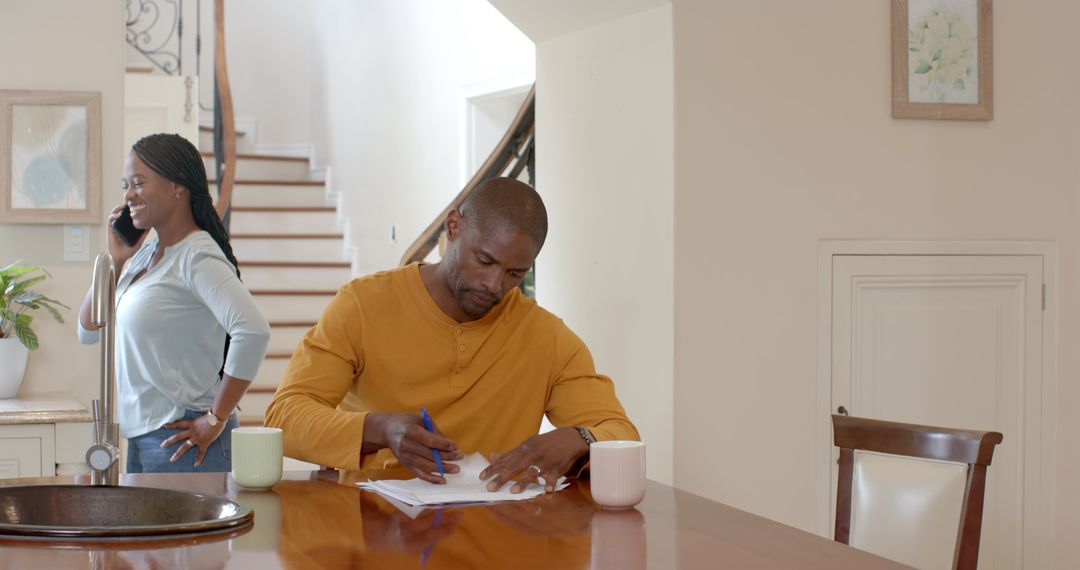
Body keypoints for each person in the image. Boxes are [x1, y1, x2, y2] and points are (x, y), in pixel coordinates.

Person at [265, 177, 638, 492]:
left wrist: (579, 439)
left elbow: (620, 433)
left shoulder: (547, 337)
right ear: (453, 226)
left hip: (497, 535)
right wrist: (379, 429)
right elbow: (284, 417)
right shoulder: (363, 305)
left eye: (514, 274)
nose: (493, 284)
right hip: (370, 526)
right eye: (485, 260)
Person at [78, 133, 270, 473]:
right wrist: (116, 259)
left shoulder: (197, 257)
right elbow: (89, 329)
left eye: (139, 183)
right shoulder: (146, 255)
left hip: (181, 438)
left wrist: (215, 418)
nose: (129, 195)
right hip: (142, 437)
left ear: (177, 186)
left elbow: (253, 331)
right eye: (126, 185)